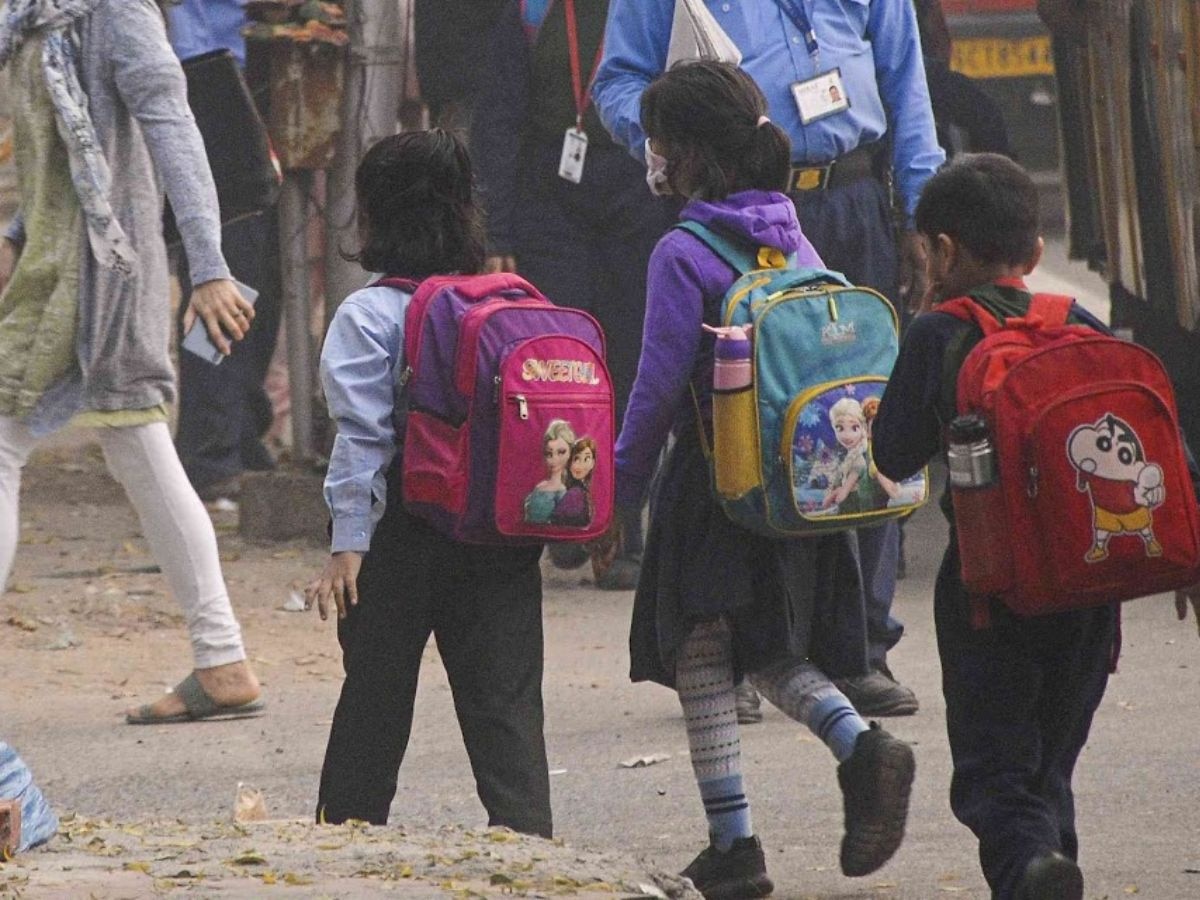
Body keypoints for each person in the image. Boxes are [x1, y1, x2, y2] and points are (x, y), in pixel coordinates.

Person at [594, 0, 946, 717]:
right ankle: (748, 647)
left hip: (849, 201)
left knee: (855, 418)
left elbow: (908, 82)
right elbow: (618, 84)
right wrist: (680, 145)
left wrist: (920, 211)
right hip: (729, 201)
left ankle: (857, 648)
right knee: (746, 429)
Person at [617, 61, 914, 898]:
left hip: (713, 488)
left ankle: (739, 844)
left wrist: (616, 497)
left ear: (688, 157)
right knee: (764, 647)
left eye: (659, 144)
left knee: (702, 653)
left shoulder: (682, 250)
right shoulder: (791, 232)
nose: (653, 160)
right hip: (793, 489)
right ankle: (858, 750)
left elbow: (655, 385)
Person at [871, 153, 1200, 900]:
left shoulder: (936, 335)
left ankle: (1029, 869)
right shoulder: (1081, 327)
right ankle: (1051, 866)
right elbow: (1169, 454)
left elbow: (893, 453)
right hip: (1091, 591)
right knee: (1051, 764)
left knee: (994, 771)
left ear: (943, 251)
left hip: (992, 592)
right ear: (1037, 253)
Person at [0, 0, 262, 724]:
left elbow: (174, 131)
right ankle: (222, 659)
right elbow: (61, 153)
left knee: (5, 442)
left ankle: (223, 655)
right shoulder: (35, 18)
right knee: (138, 446)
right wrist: (18, 234)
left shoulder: (114, 12)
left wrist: (209, 267)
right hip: (58, 263)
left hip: (101, 269)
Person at [306, 130, 552, 839]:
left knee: (375, 702)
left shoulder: (368, 315)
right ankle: (532, 850)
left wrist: (347, 546)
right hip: (501, 537)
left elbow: (362, 440)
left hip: (401, 538)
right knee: (507, 706)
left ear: (372, 217)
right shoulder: (514, 305)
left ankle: (345, 848)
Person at [472, 0, 677, 589]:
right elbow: (500, 119)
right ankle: (567, 512)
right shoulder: (530, 11)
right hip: (550, 202)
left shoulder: (660, 8)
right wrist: (497, 231)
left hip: (641, 200)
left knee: (633, 363)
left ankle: (623, 526)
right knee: (561, 364)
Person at [165, 0, 283, 502]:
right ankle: (209, 449)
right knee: (227, 270)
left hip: (211, 66)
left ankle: (233, 429)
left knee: (254, 272)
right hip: (198, 69)